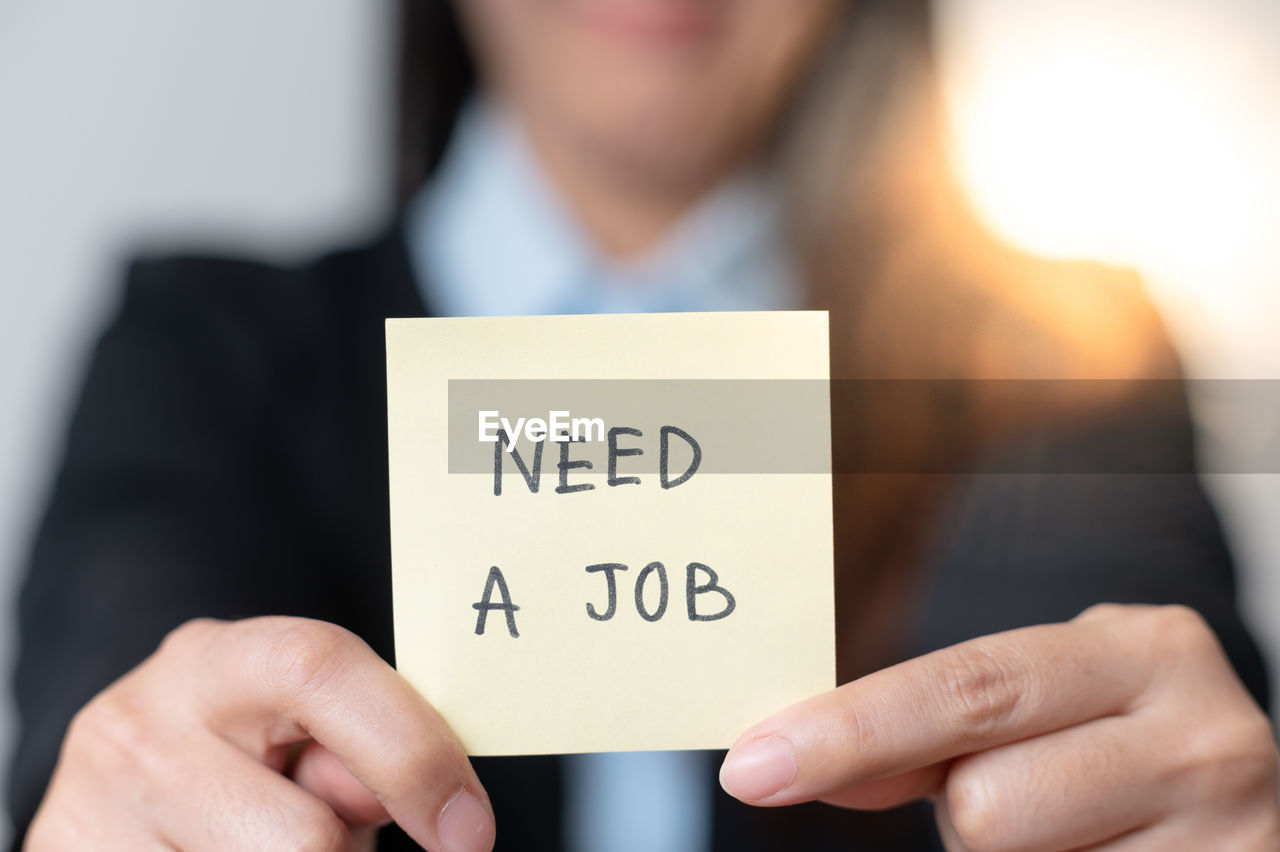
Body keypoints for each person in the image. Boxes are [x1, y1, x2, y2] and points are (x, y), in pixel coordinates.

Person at [9, 1, 1279, 850]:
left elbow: (1127, 664)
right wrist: (124, 776)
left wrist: (1193, 793)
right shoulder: (200, 342)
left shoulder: (1061, 352)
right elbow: (115, 650)